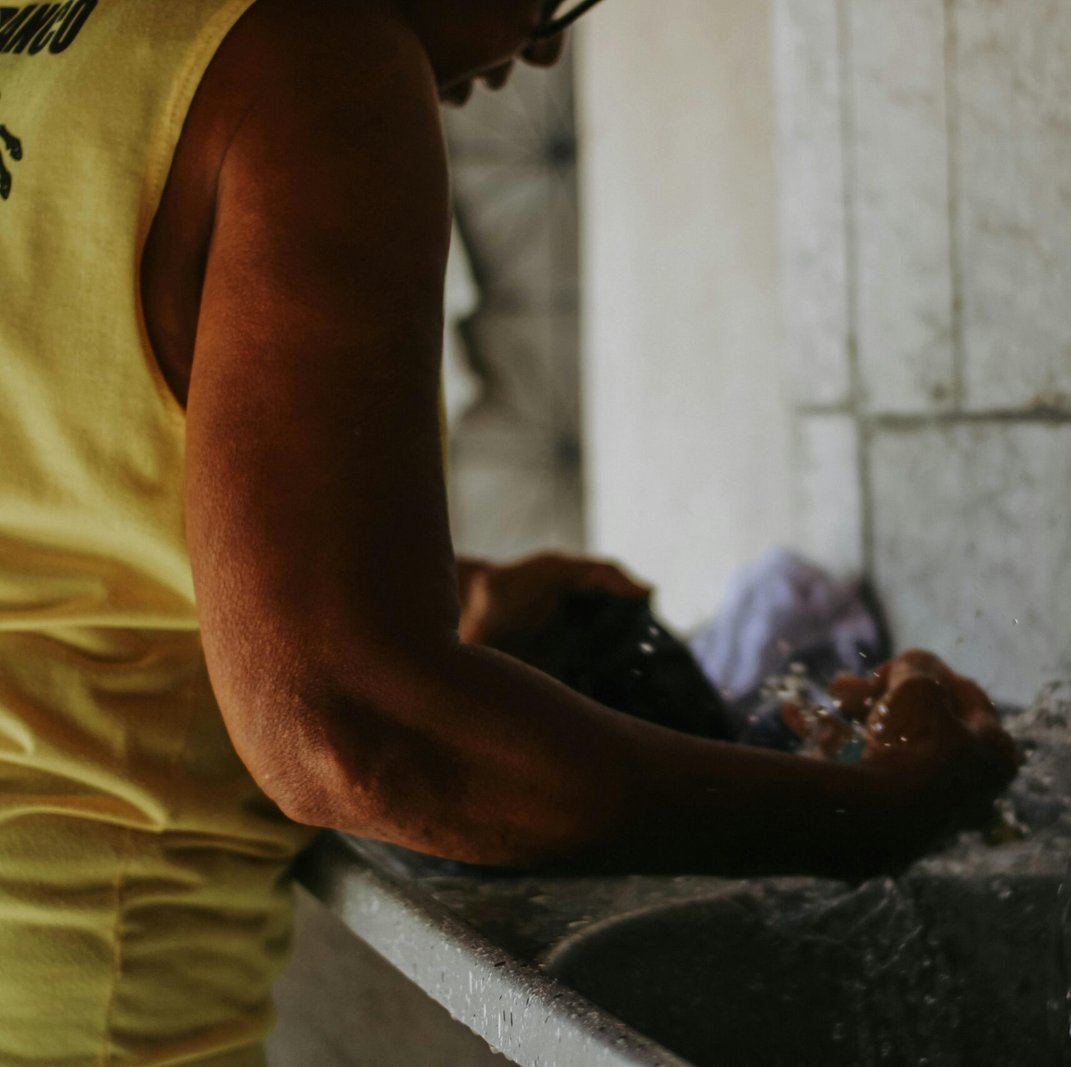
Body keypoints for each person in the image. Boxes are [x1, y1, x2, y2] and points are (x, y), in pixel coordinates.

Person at [0, 1, 1018, 1062]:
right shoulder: (314, 53)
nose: (542, 44)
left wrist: (432, 587)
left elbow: (59, 487)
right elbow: (353, 728)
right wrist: (872, 812)